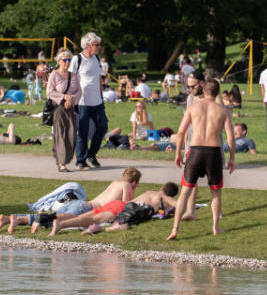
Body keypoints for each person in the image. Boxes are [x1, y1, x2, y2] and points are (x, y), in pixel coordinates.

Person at [167, 79, 236, 240]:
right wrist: (232, 158)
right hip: (213, 153)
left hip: (195, 151)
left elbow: (181, 132)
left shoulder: (192, 108)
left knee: (184, 192)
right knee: (215, 192)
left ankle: (175, 229)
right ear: (218, 93)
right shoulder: (222, 111)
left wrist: (178, 153)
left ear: (204, 91)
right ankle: (215, 227)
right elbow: (231, 138)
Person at [0, 167, 141, 234]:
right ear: (134, 182)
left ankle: (11, 219)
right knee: (54, 222)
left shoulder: (115, 182)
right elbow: (126, 206)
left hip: (79, 203)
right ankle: (15, 220)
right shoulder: (127, 185)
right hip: (85, 209)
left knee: (50, 216)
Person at [70, 32, 107, 170]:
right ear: (88, 45)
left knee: (103, 127)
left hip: (97, 102)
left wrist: (102, 97)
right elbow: (71, 79)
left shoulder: (96, 59)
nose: (99, 47)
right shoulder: (77, 59)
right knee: (83, 133)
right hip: (82, 103)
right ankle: (81, 161)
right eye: (97, 45)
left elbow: (98, 79)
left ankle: (91, 154)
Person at [82, 183, 180, 234]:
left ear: (162, 187)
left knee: (86, 217)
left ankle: (89, 225)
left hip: (121, 204)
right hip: (131, 209)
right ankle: (98, 228)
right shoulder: (165, 199)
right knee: (121, 225)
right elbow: (177, 206)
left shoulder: (150, 192)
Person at [47, 49, 81, 172]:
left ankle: (61, 157)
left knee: (72, 134)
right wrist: (63, 97)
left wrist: (72, 99)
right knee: (61, 133)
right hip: (58, 107)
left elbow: (79, 91)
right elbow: (49, 92)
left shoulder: (73, 75)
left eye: (69, 60)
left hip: (70, 107)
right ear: (59, 61)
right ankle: (62, 163)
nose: (67, 62)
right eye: (64, 60)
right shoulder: (54, 74)